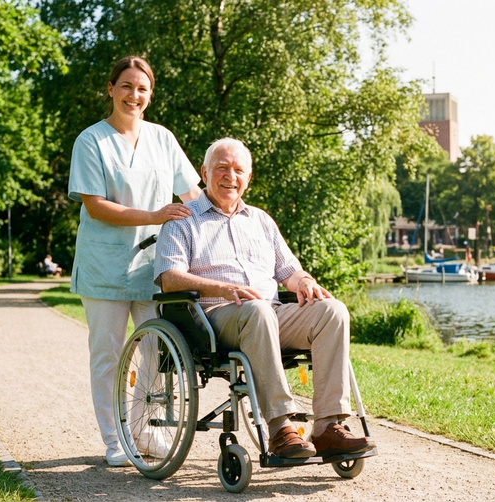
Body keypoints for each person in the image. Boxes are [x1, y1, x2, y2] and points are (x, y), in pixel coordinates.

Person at [153, 138, 376, 459]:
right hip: (213, 318)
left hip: (268, 313)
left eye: (239, 170)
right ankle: (282, 429)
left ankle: (328, 427)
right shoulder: (183, 220)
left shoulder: (260, 220)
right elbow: (169, 278)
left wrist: (306, 281)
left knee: (333, 311)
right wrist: (221, 288)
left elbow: (290, 271)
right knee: (258, 311)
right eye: (222, 168)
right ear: (204, 172)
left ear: (248, 177)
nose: (231, 176)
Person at [67, 56, 202, 467]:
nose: (134, 95)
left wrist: (226, 222)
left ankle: (144, 432)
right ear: (110, 89)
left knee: (156, 351)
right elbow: (96, 207)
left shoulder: (162, 138)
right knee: (107, 356)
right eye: (126, 86)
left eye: (142, 89)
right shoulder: (90, 141)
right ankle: (114, 440)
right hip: (105, 268)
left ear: (150, 95)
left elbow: (193, 195)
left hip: (154, 267)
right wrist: (155, 216)